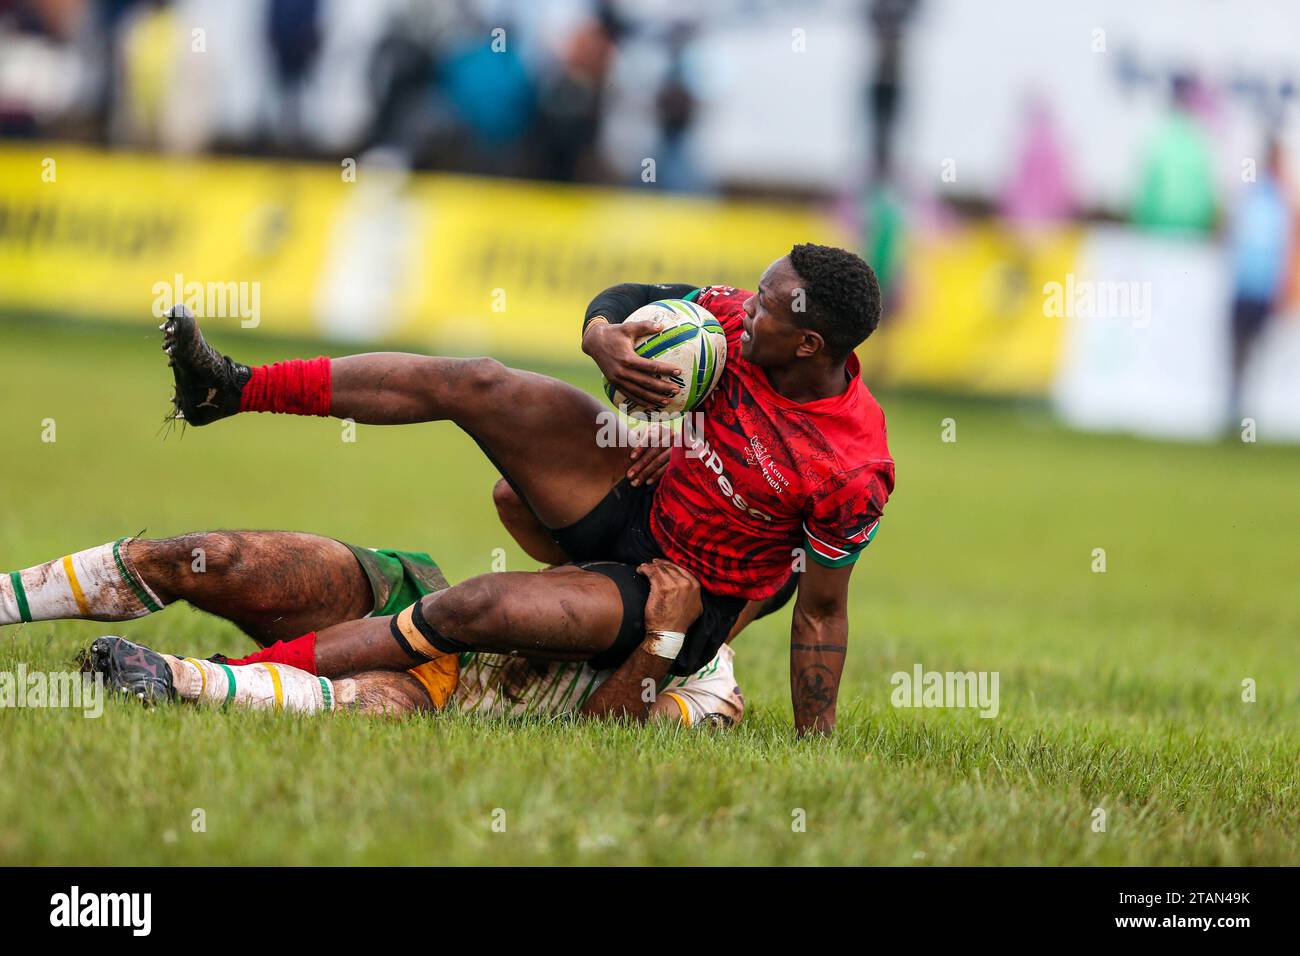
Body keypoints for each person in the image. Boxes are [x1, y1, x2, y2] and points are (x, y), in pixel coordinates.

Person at [155, 243, 893, 735]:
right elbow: (636, 292)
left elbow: (819, 609)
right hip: (634, 497)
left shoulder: (852, 465)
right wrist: (602, 331)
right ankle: (232, 389)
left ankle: (224, 682)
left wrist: (812, 745)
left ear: (808, 345)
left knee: (485, 604)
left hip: (677, 589)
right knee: (477, 381)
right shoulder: (733, 320)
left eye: (765, 307)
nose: (742, 311)